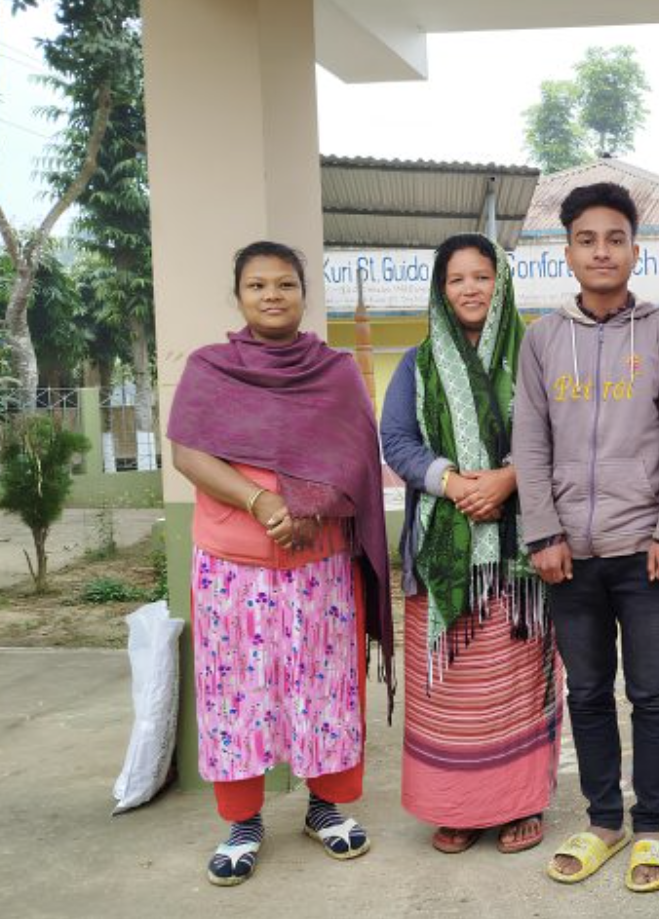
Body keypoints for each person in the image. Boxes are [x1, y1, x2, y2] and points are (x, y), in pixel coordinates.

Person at [168, 240, 392, 887]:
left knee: (324, 685)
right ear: (239, 295)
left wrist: (313, 510)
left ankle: (326, 808)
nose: (272, 295)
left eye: (285, 284)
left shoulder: (336, 372)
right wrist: (263, 501)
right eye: (258, 285)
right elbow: (188, 453)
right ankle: (242, 822)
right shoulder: (211, 368)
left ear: (303, 293)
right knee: (236, 690)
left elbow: (357, 459)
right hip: (231, 564)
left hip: (320, 560)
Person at [513, 182, 659, 894]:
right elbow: (530, 442)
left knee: (651, 691)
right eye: (587, 240)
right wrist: (542, 532)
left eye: (615, 239)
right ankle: (604, 821)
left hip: (645, 552)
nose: (601, 251)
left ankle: (651, 824)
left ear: (634, 251)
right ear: (567, 254)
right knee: (588, 691)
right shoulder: (542, 339)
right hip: (568, 556)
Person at [380, 233, 561, 856]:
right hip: (442, 557)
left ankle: (519, 805)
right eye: (456, 279)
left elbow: (559, 431)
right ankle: (454, 808)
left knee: (512, 690)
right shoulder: (418, 364)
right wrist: (455, 484)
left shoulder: (534, 354)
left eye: (481, 276)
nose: (470, 289)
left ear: (501, 282)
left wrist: (509, 478)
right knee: (452, 698)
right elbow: (397, 441)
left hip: (519, 558)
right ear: (440, 290)